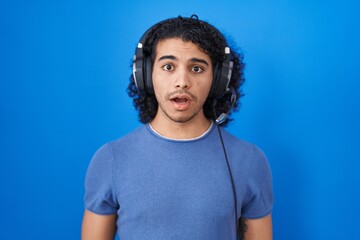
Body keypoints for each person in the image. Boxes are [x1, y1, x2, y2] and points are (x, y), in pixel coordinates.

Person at [81, 15, 274, 240]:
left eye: (197, 69)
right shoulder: (110, 159)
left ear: (218, 80)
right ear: (146, 75)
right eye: (168, 66)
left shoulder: (249, 161)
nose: (182, 81)